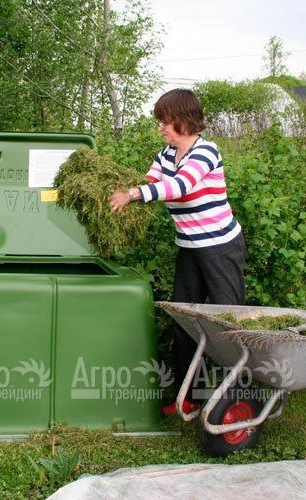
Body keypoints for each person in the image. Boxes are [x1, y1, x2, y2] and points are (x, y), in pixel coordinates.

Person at [109, 88, 245, 415]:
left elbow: (179, 186)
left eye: (165, 121)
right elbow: (150, 181)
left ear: (184, 119)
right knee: (185, 322)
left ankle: (238, 398)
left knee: (229, 323)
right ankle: (191, 396)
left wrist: (133, 194)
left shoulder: (206, 151)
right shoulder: (166, 154)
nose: (160, 128)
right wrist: (118, 190)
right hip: (188, 248)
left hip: (220, 247)